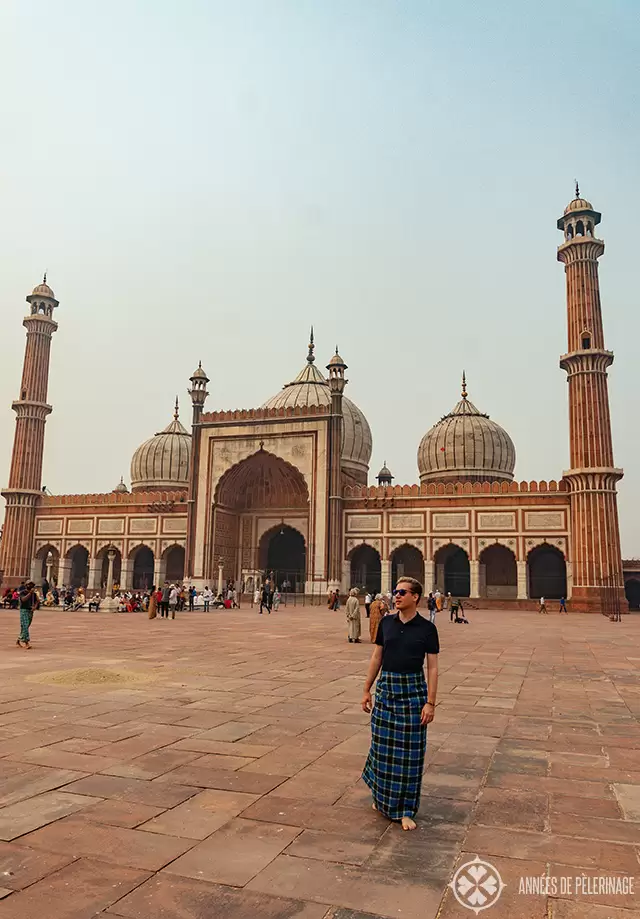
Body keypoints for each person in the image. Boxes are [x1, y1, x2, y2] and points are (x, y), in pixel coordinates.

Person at [361, 576, 439, 832]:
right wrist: (366, 689)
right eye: (395, 591)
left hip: (413, 691)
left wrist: (430, 703)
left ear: (415, 597)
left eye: (402, 592)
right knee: (382, 748)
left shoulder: (427, 629)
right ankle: (381, 799)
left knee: (410, 754)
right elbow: (377, 657)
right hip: (387, 689)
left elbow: (433, 668)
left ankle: (405, 809)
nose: (396, 596)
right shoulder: (387, 623)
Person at [17, 581, 38, 649]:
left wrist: (34, 607)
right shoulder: (22, 592)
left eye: (32, 585)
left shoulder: (34, 594)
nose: (31, 586)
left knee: (25, 626)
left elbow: (37, 601)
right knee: (25, 625)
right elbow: (23, 599)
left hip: (30, 611)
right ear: (26, 585)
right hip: (24, 610)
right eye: (29, 585)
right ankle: (26, 642)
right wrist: (30, 593)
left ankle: (18, 640)